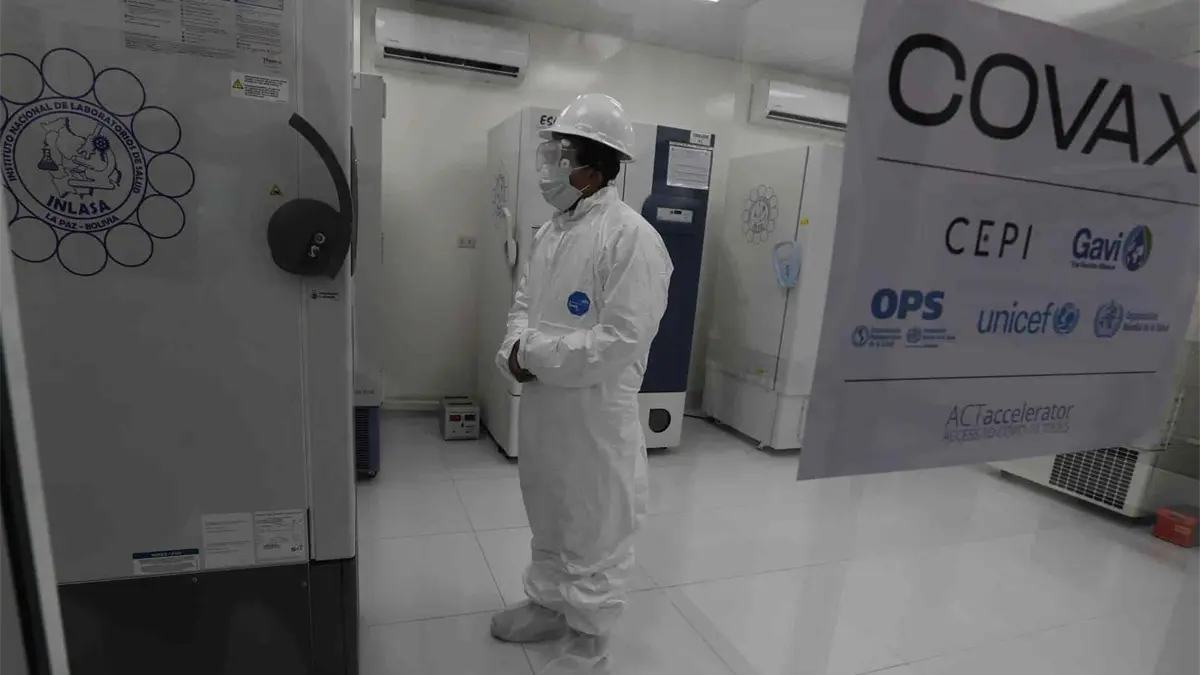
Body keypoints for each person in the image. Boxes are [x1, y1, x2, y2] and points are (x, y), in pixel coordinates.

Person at [490, 93, 673, 674]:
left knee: (594, 524)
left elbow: (619, 342)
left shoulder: (631, 238)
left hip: (595, 416)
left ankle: (591, 639)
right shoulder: (551, 232)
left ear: (593, 165)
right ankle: (548, 604)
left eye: (559, 155)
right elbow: (523, 306)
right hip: (546, 407)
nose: (548, 166)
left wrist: (532, 353)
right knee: (549, 511)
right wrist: (512, 351)